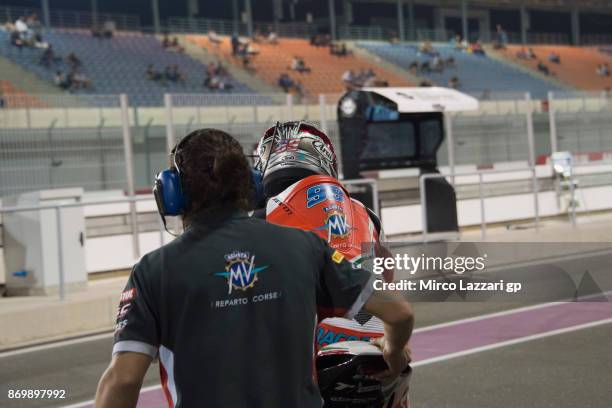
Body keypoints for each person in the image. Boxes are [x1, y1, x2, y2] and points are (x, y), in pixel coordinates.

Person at [94, 128, 413, 407]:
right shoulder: (304, 246)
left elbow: (122, 382)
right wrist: (394, 352)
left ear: (170, 193)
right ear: (253, 185)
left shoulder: (153, 272)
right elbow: (398, 313)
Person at [253, 122, 412, 407]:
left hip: (300, 350)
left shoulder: (256, 217)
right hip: (373, 341)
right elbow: (389, 285)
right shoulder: (366, 214)